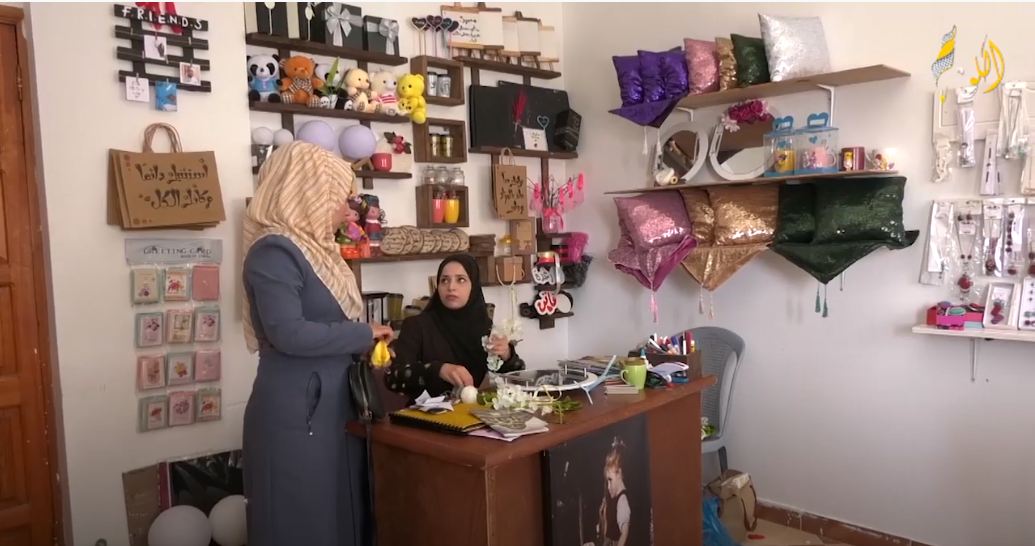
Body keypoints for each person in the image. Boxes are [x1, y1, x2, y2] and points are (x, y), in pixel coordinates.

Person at [241, 141, 393, 546]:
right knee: (302, 520)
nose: (347, 211)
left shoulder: (316, 251)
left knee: (339, 515)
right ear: (308, 192)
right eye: (339, 198)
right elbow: (288, 333)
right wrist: (362, 333)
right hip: (297, 413)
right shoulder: (274, 252)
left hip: (332, 404)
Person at [384, 254, 524, 400]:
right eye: (444, 280)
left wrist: (506, 354)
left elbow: (518, 378)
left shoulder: (485, 327)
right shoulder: (417, 326)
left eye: (461, 280)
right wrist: (436, 370)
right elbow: (392, 379)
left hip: (474, 412)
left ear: (473, 286)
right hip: (426, 413)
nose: (451, 287)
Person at [592, 438, 631, 546]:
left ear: (619, 473)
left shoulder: (622, 500)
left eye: (610, 480)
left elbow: (624, 532)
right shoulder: (613, 501)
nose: (608, 487)